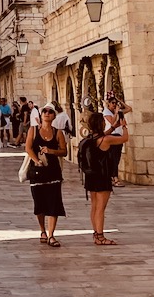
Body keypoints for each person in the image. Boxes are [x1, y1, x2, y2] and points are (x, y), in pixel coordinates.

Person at [79, 106, 128, 246]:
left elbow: (103, 136)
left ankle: (96, 234)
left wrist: (113, 127)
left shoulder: (90, 138)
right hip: (102, 176)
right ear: (100, 123)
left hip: (91, 177)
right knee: (101, 208)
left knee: (94, 207)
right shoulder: (106, 140)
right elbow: (125, 138)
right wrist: (124, 127)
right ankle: (100, 237)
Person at [25, 104, 68, 247]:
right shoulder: (33, 130)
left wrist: (51, 151)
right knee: (39, 203)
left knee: (53, 203)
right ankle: (42, 230)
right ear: (41, 114)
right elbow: (28, 148)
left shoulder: (58, 133)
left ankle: (51, 235)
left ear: (54, 116)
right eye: (45, 111)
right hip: (37, 171)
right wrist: (36, 161)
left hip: (53, 171)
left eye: (50, 112)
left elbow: (64, 151)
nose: (47, 113)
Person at [103, 94, 128, 187]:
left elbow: (129, 109)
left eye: (115, 103)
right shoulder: (106, 112)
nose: (114, 104)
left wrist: (120, 101)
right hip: (112, 136)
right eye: (113, 103)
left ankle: (113, 177)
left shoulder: (117, 111)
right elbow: (112, 122)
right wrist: (116, 113)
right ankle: (115, 177)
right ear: (108, 104)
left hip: (118, 135)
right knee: (113, 158)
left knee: (116, 158)